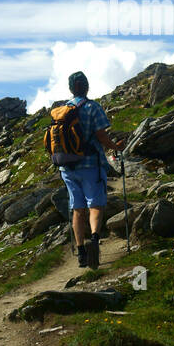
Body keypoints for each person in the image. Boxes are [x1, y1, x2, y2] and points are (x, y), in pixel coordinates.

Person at [59, 71, 123, 268]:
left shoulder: (61, 110)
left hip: (67, 167)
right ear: (87, 86)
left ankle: (80, 253)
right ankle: (94, 240)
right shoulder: (93, 107)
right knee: (95, 204)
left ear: (71, 89)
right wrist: (115, 147)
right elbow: (102, 137)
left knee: (77, 209)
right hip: (90, 165)